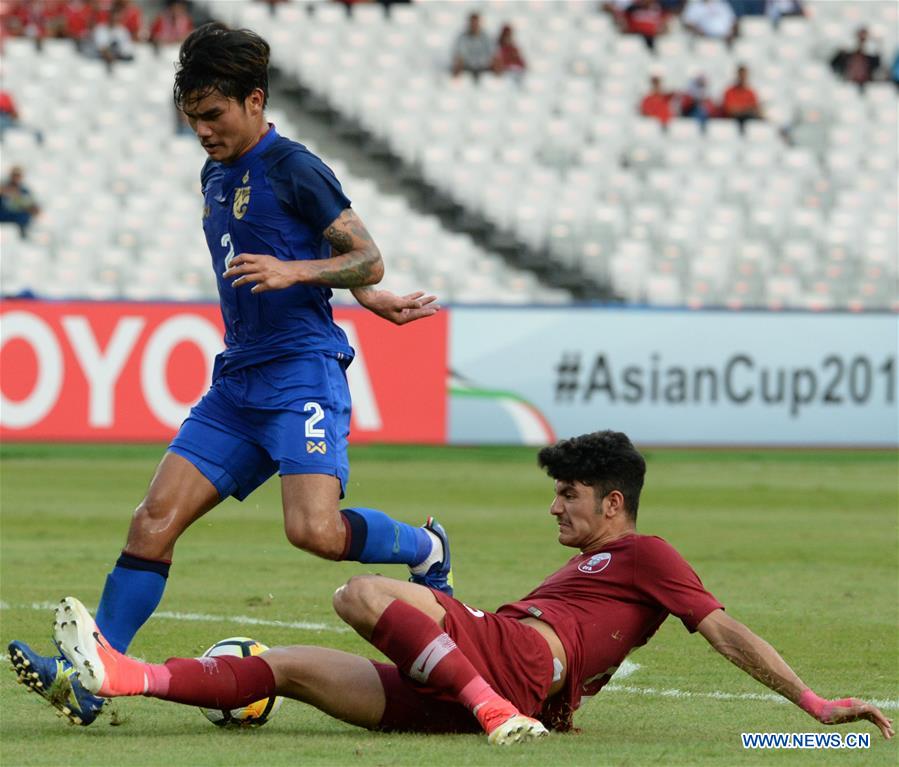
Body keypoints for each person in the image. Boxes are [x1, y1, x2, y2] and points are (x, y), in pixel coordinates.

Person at [8, 22, 450, 728]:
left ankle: (426, 546)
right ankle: (95, 676)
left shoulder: (293, 166)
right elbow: (333, 259)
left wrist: (314, 276)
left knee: (313, 531)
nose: (204, 133)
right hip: (236, 381)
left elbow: (367, 255)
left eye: (214, 117)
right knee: (152, 521)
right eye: (192, 121)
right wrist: (352, 287)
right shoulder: (215, 172)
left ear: (254, 101)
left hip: (302, 373)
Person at [51, 431, 894, 745]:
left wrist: (811, 705)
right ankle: (129, 674)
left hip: (513, 666)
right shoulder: (576, 572)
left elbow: (721, 628)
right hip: (487, 669)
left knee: (358, 597)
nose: (555, 503)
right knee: (290, 668)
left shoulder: (645, 552)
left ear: (612, 501)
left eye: (569, 493)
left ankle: (490, 706)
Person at [0, 166, 41, 237]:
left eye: (18, 175)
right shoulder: (3, 186)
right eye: (14, 175)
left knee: (25, 215)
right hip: (3, 214)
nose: (16, 177)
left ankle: (23, 233)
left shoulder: (24, 191)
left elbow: (32, 206)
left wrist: (32, 208)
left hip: (16, 215)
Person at [451, 12, 494, 78]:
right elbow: (459, 53)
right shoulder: (462, 37)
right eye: (472, 23)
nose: (474, 25)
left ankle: (498, 84)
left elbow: (492, 52)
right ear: (469, 23)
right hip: (467, 66)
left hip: (483, 66)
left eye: (476, 23)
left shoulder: (486, 37)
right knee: (457, 62)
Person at [721, 64, 762, 130]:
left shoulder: (751, 92)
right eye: (741, 75)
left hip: (748, 120)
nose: (743, 77)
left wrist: (741, 109)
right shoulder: (730, 91)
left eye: (744, 75)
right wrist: (746, 109)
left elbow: (756, 109)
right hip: (734, 122)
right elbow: (730, 110)